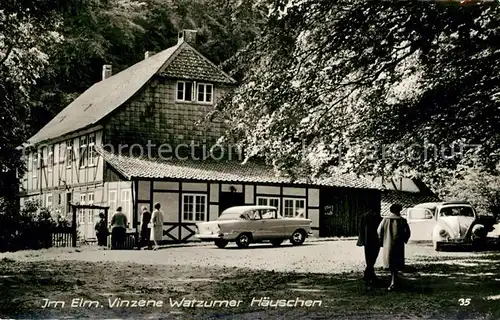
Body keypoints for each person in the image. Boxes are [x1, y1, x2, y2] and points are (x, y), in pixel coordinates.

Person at [377, 203, 411, 291]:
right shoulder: (402, 220)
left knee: (391, 262)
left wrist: (382, 241)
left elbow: (379, 231)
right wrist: (404, 239)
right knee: (396, 263)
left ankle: (393, 281)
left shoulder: (385, 220)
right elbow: (407, 232)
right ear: (399, 210)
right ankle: (394, 281)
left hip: (388, 243)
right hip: (398, 244)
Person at [357, 209, 383, 284]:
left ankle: (368, 274)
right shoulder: (378, 218)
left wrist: (361, 240)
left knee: (369, 258)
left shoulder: (364, 217)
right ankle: (371, 275)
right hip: (375, 240)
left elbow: (361, 230)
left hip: (367, 240)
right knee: (373, 258)